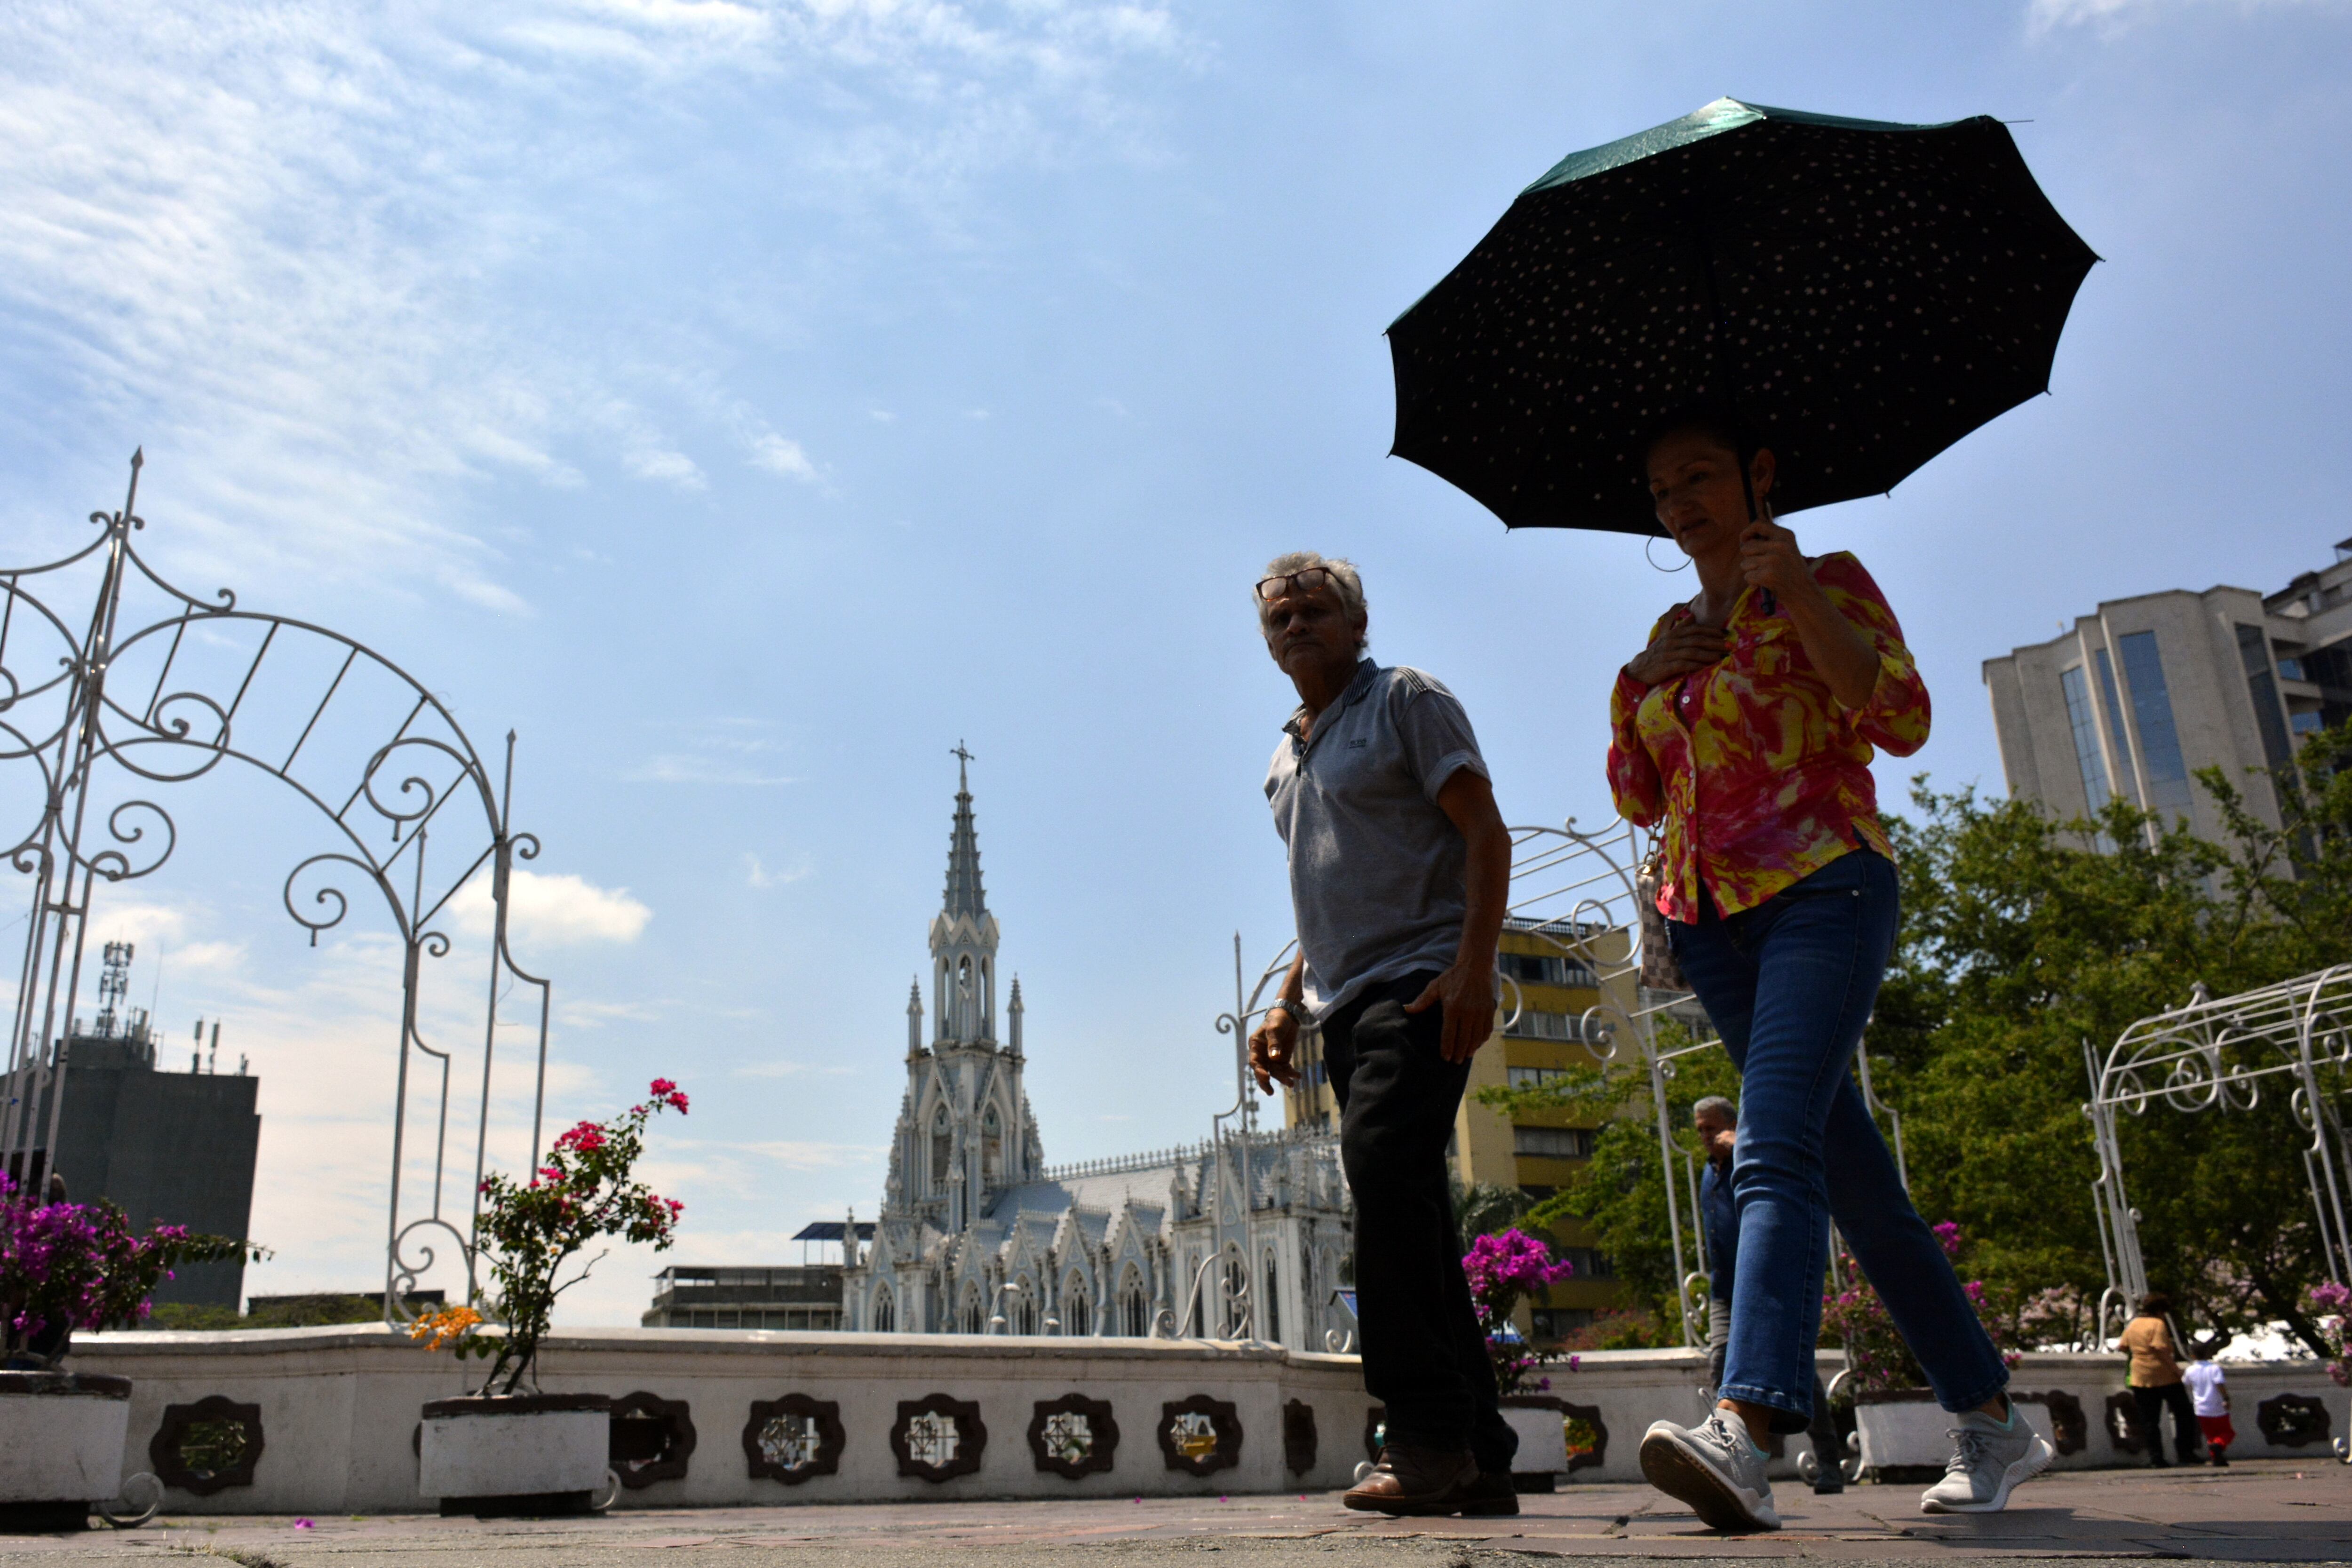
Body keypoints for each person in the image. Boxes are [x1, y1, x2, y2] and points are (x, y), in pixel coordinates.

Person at [1609, 407, 2051, 1530]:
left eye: (1700, 476)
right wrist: (1637, 678)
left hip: (1825, 888)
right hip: (1710, 920)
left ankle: (1747, 1425)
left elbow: (1899, 717)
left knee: (1771, 1143)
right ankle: (1993, 1421)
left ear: (1758, 473)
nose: (1680, 503)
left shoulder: (1828, 577)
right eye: (1662, 488)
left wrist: (1795, 589)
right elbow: (1637, 792)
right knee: (1854, 1183)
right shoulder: (1670, 625)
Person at [1245, 552, 1518, 1518]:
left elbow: (1485, 833)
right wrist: (1284, 999)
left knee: (1380, 1174)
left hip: (1422, 981)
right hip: (1340, 1005)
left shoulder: (1407, 698)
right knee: (1414, 1208)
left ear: (1358, 625)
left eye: (1316, 611)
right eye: (1281, 617)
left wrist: (1475, 966)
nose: (1297, 627)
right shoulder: (1286, 753)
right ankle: (1481, 1452)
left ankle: (1422, 1435)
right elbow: (1322, 891)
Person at [1693, 1095, 1842, 1496]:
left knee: (1798, 1373)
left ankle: (1829, 1460)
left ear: (1731, 1125)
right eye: (1700, 1130)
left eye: (1712, 1127)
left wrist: (1741, 1146)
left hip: (1767, 1284)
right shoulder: (1709, 1172)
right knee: (1721, 1359)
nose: (1706, 1136)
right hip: (1725, 1288)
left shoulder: (1752, 1159)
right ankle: (1728, 1453)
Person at [2120, 1294, 2202, 1467]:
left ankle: (2156, 1458)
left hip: (2140, 1376)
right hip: (2163, 1375)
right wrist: (2177, 1371)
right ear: (2160, 1311)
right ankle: (2186, 1452)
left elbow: (2123, 1346)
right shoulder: (2158, 1324)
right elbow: (2160, 1350)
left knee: (2150, 1420)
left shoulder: (2133, 1324)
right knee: (2184, 1414)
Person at [2182, 1334, 2234, 1468]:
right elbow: (2220, 1385)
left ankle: (2216, 1457)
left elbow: (2185, 1383)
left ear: (2192, 1355)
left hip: (2201, 1408)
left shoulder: (2190, 1370)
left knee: (2210, 1435)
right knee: (2228, 1433)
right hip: (2217, 1406)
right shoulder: (2214, 1369)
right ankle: (2219, 1446)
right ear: (2208, 1353)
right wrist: (2226, 1398)